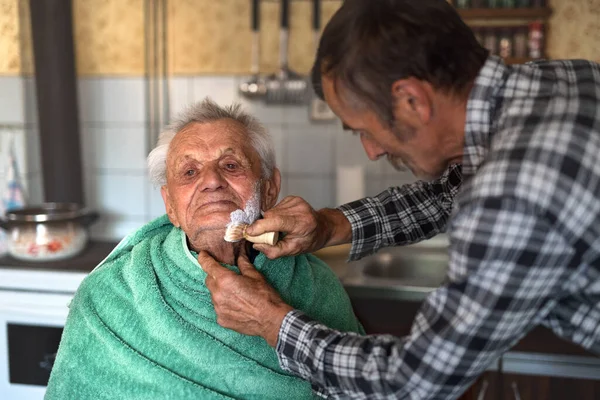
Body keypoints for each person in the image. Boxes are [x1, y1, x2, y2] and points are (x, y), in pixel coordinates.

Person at [200, 0, 600, 398]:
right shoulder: (565, 79)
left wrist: (270, 321)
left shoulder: (515, 190)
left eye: (364, 129)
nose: (371, 151)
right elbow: (452, 191)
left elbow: (412, 383)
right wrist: (329, 225)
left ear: (412, 100)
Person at [45, 99, 364, 399]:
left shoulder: (316, 285)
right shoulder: (109, 293)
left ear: (268, 190)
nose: (211, 181)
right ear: (170, 205)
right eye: (189, 172)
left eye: (230, 165)